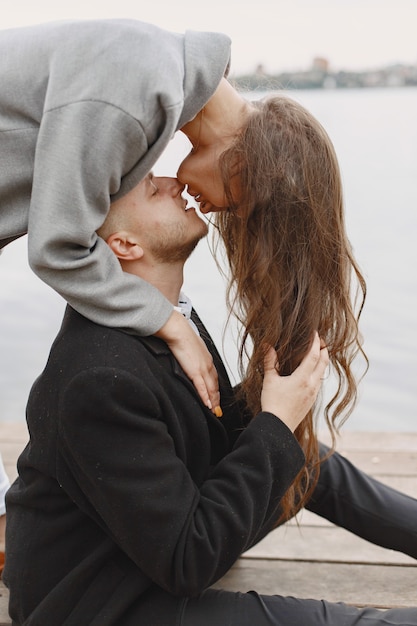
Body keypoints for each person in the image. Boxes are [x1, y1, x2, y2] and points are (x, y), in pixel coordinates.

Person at [4, 175, 417, 625]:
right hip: (100, 603)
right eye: (149, 188)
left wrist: (266, 396)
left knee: (307, 459)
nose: (172, 181)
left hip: (156, 551)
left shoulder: (167, 317)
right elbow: (188, 560)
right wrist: (276, 419)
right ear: (124, 244)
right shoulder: (100, 377)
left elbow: (199, 432)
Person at [0, 18, 232, 412]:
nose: (225, 210)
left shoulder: (151, 70)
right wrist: (171, 323)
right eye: (243, 201)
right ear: (243, 164)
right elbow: (56, 249)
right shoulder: (130, 94)